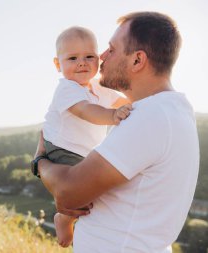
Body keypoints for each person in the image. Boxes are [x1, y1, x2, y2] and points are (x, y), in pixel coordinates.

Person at [32, 12, 199, 252]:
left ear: (137, 60)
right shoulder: (170, 111)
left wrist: (40, 161)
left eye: (111, 49)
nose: (101, 57)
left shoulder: (151, 117)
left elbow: (69, 194)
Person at [40, 26, 131, 247]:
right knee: (80, 192)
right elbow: (85, 111)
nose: (82, 62)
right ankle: (63, 219)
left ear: (98, 59)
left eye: (89, 56)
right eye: (72, 58)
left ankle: (70, 217)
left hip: (84, 150)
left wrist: (135, 107)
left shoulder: (98, 86)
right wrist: (114, 116)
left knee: (92, 189)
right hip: (62, 148)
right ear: (57, 64)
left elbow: (122, 101)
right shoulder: (68, 88)